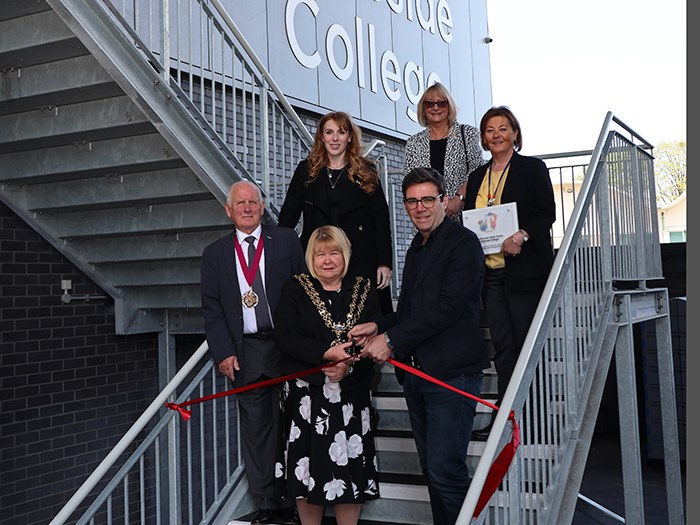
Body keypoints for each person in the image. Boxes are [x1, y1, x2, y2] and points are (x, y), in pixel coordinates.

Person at [348, 168, 489, 525]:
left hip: (451, 377)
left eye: (428, 199)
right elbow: (411, 311)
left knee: (446, 471)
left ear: (444, 200)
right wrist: (377, 326)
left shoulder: (464, 243)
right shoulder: (417, 247)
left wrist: (391, 340)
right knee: (432, 470)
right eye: (412, 201)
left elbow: (447, 309)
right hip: (418, 376)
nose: (420, 208)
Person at [200, 180, 306, 525]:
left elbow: (305, 289)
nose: (247, 208)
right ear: (228, 211)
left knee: (294, 423)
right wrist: (223, 353)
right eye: (240, 203)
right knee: (256, 428)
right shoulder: (214, 254)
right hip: (246, 352)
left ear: (263, 207)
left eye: (253, 202)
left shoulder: (287, 240)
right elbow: (212, 309)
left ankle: (295, 496)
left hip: (286, 348)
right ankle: (267, 502)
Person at [274, 225, 381, 525]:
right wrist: (325, 356)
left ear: (345, 254)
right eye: (320, 254)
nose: (328, 260)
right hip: (306, 399)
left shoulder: (363, 288)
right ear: (311, 257)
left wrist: (347, 365)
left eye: (334, 252)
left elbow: (377, 336)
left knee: (350, 474)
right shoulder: (295, 287)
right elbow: (284, 337)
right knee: (307, 470)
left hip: (351, 397)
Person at [463, 106, 556, 440]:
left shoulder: (532, 168)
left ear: (515, 133)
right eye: (490, 129)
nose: (497, 134)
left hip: (525, 272)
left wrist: (521, 236)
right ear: (484, 138)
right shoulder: (476, 177)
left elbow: (547, 213)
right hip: (490, 275)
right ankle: (507, 416)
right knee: (503, 347)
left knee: (528, 345)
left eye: (503, 128)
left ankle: (537, 417)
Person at [278, 111, 394, 315]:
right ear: (321, 137)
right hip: (319, 258)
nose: (334, 138)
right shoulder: (306, 171)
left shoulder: (366, 171)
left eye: (341, 132)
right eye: (329, 132)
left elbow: (381, 221)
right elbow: (288, 216)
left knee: (364, 319)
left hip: (360, 259)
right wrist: (278, 257)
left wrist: (384, 262)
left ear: (350, 136)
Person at [402, 82, 485, 222]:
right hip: (426, 220)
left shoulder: (467, 134)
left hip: (463, 219)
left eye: (441, 103)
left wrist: (459, 198)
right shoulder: (413, 143)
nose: (435, 107)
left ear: (449, 106)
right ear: (423, 109)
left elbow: (477, 171)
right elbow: (409, 181)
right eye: (430, 104)